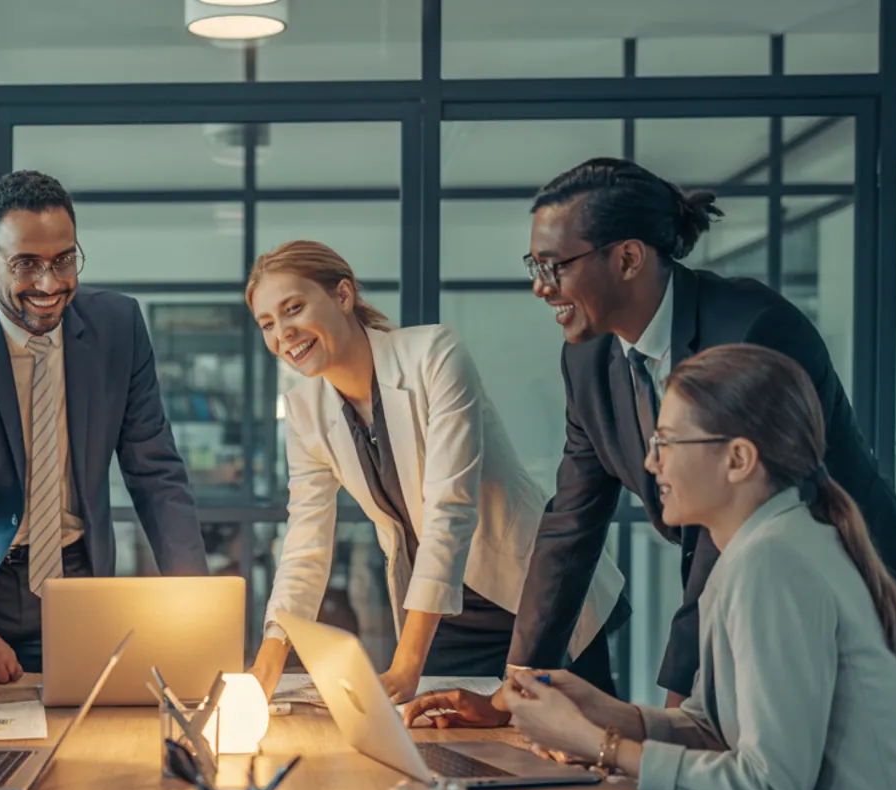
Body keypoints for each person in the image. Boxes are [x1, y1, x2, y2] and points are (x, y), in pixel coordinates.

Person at [431, 344, 896, 790]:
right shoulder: (763, 545)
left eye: (666, 443)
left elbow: (768, 784)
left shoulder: (774, 562)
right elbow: (721, 729)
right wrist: (614, 715)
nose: (650, 463)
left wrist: (598, 744)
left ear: (738, 459)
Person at [511, 157, 896, 707]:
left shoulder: (753, 330)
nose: (542, 289)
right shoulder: (588, 361)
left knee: (837, 787)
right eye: (535, 267)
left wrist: (681, 703)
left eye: (554, 267)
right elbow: (571, 524)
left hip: (849, 596)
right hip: (754, 600)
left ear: (628, 258)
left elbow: (735, 523)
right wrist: (520, 685)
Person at [243, 241, 626, 703]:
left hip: (537, 597)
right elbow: (305, 540)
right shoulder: (304, 411)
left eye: (294, 308)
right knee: (446, 751)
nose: (283, 333)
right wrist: (271, 653)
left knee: (575, 751)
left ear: (343, 295)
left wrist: (405, 665)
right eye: (267, 324)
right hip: (441, 615)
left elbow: (451, 508)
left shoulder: (433, 355)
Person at [0, 170, 207, 683]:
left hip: (73, 578)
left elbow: (156, 470)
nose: (50, 283)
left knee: (82, 738)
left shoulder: (118, 328)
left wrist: (196, 600)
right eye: (26, 265)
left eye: (63, 260)